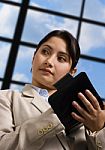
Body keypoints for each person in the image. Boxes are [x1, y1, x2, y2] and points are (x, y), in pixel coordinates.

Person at [0, 29, 105, 150]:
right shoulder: (6, 98)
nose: (49, 62)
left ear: (72, 72)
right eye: (45, 52)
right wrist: (56, 115)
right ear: (34, 56)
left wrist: (98, 129)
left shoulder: (86, 115)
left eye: (61, 58)